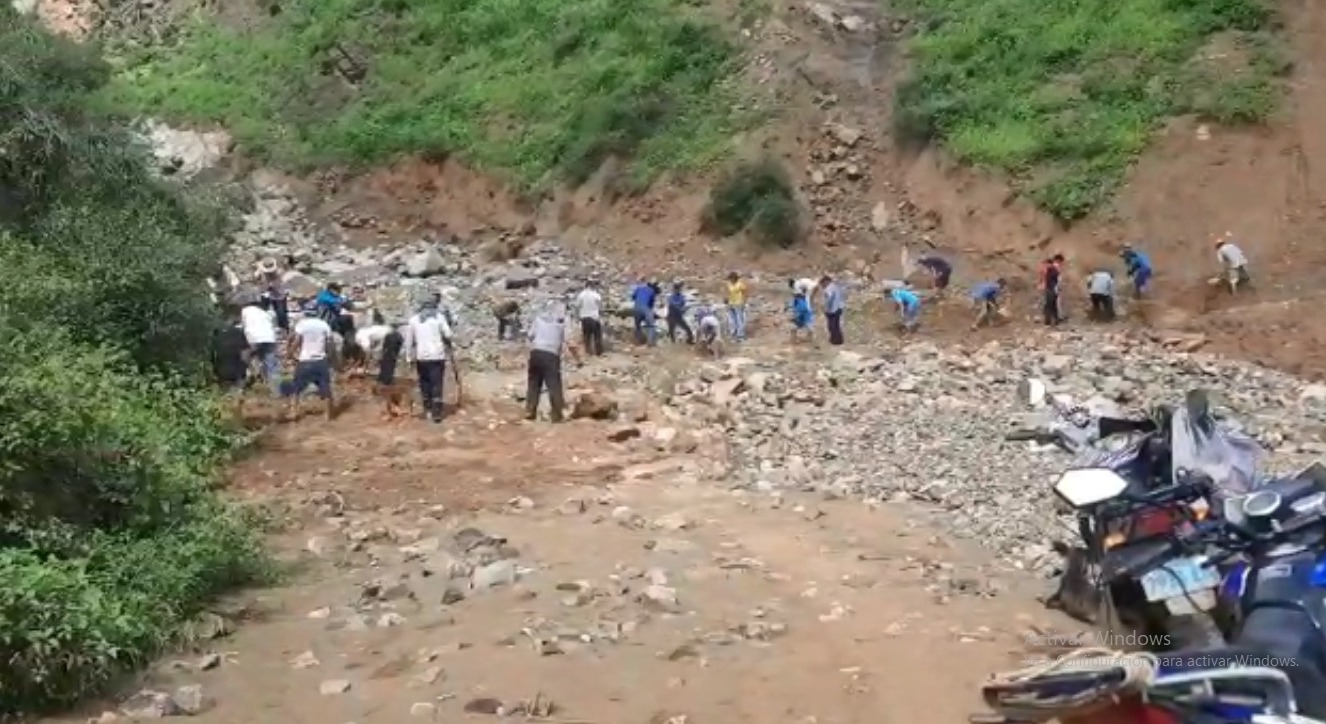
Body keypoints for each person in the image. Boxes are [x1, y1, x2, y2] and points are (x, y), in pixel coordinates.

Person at [281, 302, 336, 422]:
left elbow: (296, 342)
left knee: (296, 389)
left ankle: (294, 412)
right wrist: (331, 358)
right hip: (321, 361)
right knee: (325, 389)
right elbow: (330, 344)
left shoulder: (302, 324)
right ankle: (327, 415)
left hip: (305, 361)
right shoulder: (324, 324)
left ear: (305, 312)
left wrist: (288, 356)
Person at [525, 303, 580, 422]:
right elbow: (570, 342)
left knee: (534, 383)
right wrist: (578, 359)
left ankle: (530, 410)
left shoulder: (539, 318)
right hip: (551, 355)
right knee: (554, 384)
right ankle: (557, 414)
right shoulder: (563, 321)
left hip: (536, 352)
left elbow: (530, 336)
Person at [404, 296, 454, 424]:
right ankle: (437, 413)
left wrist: (409, 357)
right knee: (436, 383)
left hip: (422, 357)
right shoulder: (439, 317)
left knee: (425, 382)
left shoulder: (414, 320)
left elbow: (409, 341)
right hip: (437, 356)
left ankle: (428, 410)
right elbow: (448, 334)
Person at [211, 309, 249, 420]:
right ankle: (236, 420)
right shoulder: (238, 333)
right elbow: (245, 353)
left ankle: (224, 420)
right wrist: (247, 368)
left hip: (221, 369)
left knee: (223, 397)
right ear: (232, 319)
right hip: (237, 369)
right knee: (236, 397)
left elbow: (213, 353)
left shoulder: (216, 333)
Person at [240, 294, 281, 395]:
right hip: (270, 339)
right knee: (270, 365)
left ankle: (246, 380)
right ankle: (275, 391)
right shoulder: (265, 313)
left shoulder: (245, 310)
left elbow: (242, 326)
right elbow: (273, 326)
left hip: (254, 339)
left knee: (245, 358)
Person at [373, 320, 413, 421]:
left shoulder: (387, 340)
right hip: (394, 367)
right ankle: (395, 408)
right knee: (393, 389)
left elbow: (382, 350)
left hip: (388, 369)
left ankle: (391, 410)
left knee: (387, 388)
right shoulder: (398, 338)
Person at [575, 279, 604, 356]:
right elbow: (600, 307)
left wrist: (577, 318)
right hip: (594, 318)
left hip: (584, 318)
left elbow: (577, 307)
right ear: (592, 286)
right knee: (597, 335)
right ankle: (598, 353)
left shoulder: (581, 295)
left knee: (587, 336)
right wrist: (601, 315)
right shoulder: (596, 295)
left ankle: (588, 352)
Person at [630, 276, 659, 346]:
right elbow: (651, 305)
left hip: (636, 309)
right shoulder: (652, 291)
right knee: (651, 325)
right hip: (645, 309)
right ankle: (650, 343)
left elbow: (633, 297)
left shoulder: (639, 288)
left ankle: (637, 341)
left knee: (637, 326)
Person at [1041, 254, 1065, 326]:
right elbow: (1057, 280)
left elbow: (1056, 280)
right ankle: (1054, 320)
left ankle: (1049, 321)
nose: (1045, 266)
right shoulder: (1053, 269)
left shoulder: (1052, 270)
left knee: (1050, 305)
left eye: (1046, 264)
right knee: (1052, 305)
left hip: (1051, 289)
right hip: (1052, 289)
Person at [821, 274, 845, 345]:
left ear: (826, 282)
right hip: (839, 307)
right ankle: (839, 340)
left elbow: (829, 299)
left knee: (832, 326)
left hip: (832, 309)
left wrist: (826, 309)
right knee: (837, 325)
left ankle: (834, 340)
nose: (823, 286)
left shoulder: (829, 288)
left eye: (823, 284)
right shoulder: (836, 287)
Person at [725, 271, 748, 342]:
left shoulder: (740, 284)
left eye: (731, 278)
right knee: (732, 320)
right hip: (731, 303)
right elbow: (728, 293)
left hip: (739, 303)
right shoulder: (729, 284)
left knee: (739, 320)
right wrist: (727, 301)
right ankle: (733, 334)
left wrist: (744, 302)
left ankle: (740, 335)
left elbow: (744, 293)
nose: (730, 280)